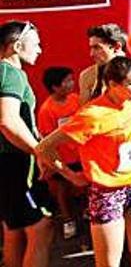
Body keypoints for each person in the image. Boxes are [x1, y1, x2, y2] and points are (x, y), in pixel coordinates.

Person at [35, 57, 131, 267]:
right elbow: (44, 147)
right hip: (107, 194)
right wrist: (71, 176)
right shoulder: (92, 115)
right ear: (112, 84)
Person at [0, 21, 54, 267]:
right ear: (15, 46)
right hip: (15, 162)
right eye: (36, 44)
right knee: (40, 228)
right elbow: (8, 121)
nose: (40, 50)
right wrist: (38, 150)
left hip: (8, 162)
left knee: (13, 230)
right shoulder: (11, 73)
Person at [36, 67, 81, 240]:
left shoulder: (76, 99)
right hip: (63, 158)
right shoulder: (47, 110)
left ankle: (89, 212)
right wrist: (54, 162)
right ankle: (68, 220)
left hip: (80, 153)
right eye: (67, 81)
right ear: (55, 87)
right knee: (63, 189)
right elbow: (47, 139)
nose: (72, 84)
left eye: (72, 79)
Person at [79, 24, 128, 105]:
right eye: (91, 48)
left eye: (97, 47)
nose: (91, 54)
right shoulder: (87, 76)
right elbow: (84, 111)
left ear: (116, 47)